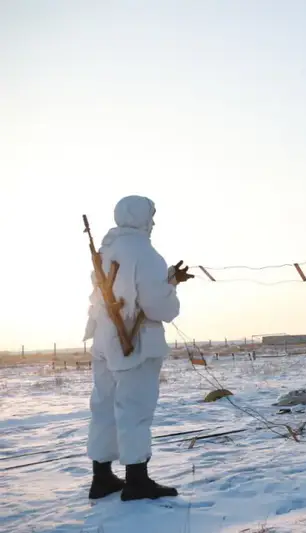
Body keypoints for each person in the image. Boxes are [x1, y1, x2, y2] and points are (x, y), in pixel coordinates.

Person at [83, 195, 193, 501]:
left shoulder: (107, 249)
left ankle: (101, 477)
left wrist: (168, 279)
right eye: (151, 216)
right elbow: (159, 307)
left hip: (103, 340)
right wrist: (170, 287)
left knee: (104, 408)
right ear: (141, 216)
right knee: (135, 409)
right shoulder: (146, 253)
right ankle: (137, 481)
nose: (153, 222)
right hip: (135, 343)